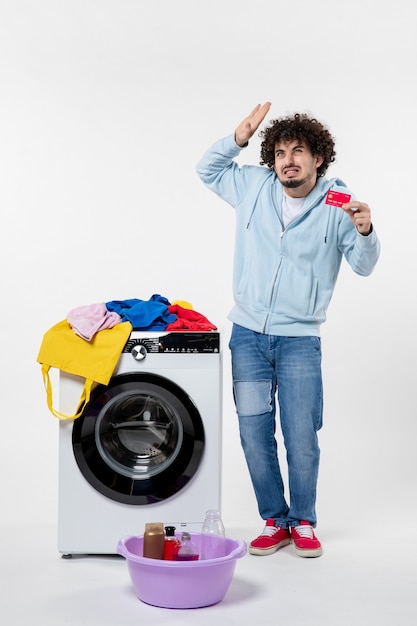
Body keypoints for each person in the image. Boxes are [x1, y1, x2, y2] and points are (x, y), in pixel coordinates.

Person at [196, 102, 380, 558]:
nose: (287, 160)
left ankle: (304, 521)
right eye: (279, 152)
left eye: (298, 151)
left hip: (301, 340)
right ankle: (274, 519)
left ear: (319, 158)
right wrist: (237, 138)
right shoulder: (252, 186)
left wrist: (365, 230)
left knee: (301, 434)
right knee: (254, 433)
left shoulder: (338, 202)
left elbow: (363, 266)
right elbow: (206, 170)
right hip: (248, 337)